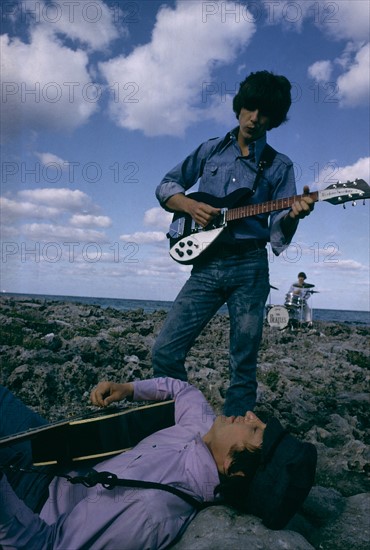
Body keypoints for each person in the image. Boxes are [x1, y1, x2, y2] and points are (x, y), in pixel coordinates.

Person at [153, 70, 315, 415]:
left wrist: (294, 216)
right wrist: (191, 205)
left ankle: (231, 439)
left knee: (242, 368)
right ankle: (181, 418)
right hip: (206, 266)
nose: (254, 118)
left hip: (249, 268)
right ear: (239, 106)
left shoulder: (280, 166)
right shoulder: (211, 150)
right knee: (164, 352)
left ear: (274, 119)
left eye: (264, 113)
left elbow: (277, 235)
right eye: (250, 108)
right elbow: (166, 187)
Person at [0, 377, 316, 549]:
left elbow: (46, 545)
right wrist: (131, 389)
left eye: (255, 429)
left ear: (234, 467)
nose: (250, 415)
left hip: (30, 501)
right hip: (56, 459)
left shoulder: (151, 511)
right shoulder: (203, 427)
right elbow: (183, 390)